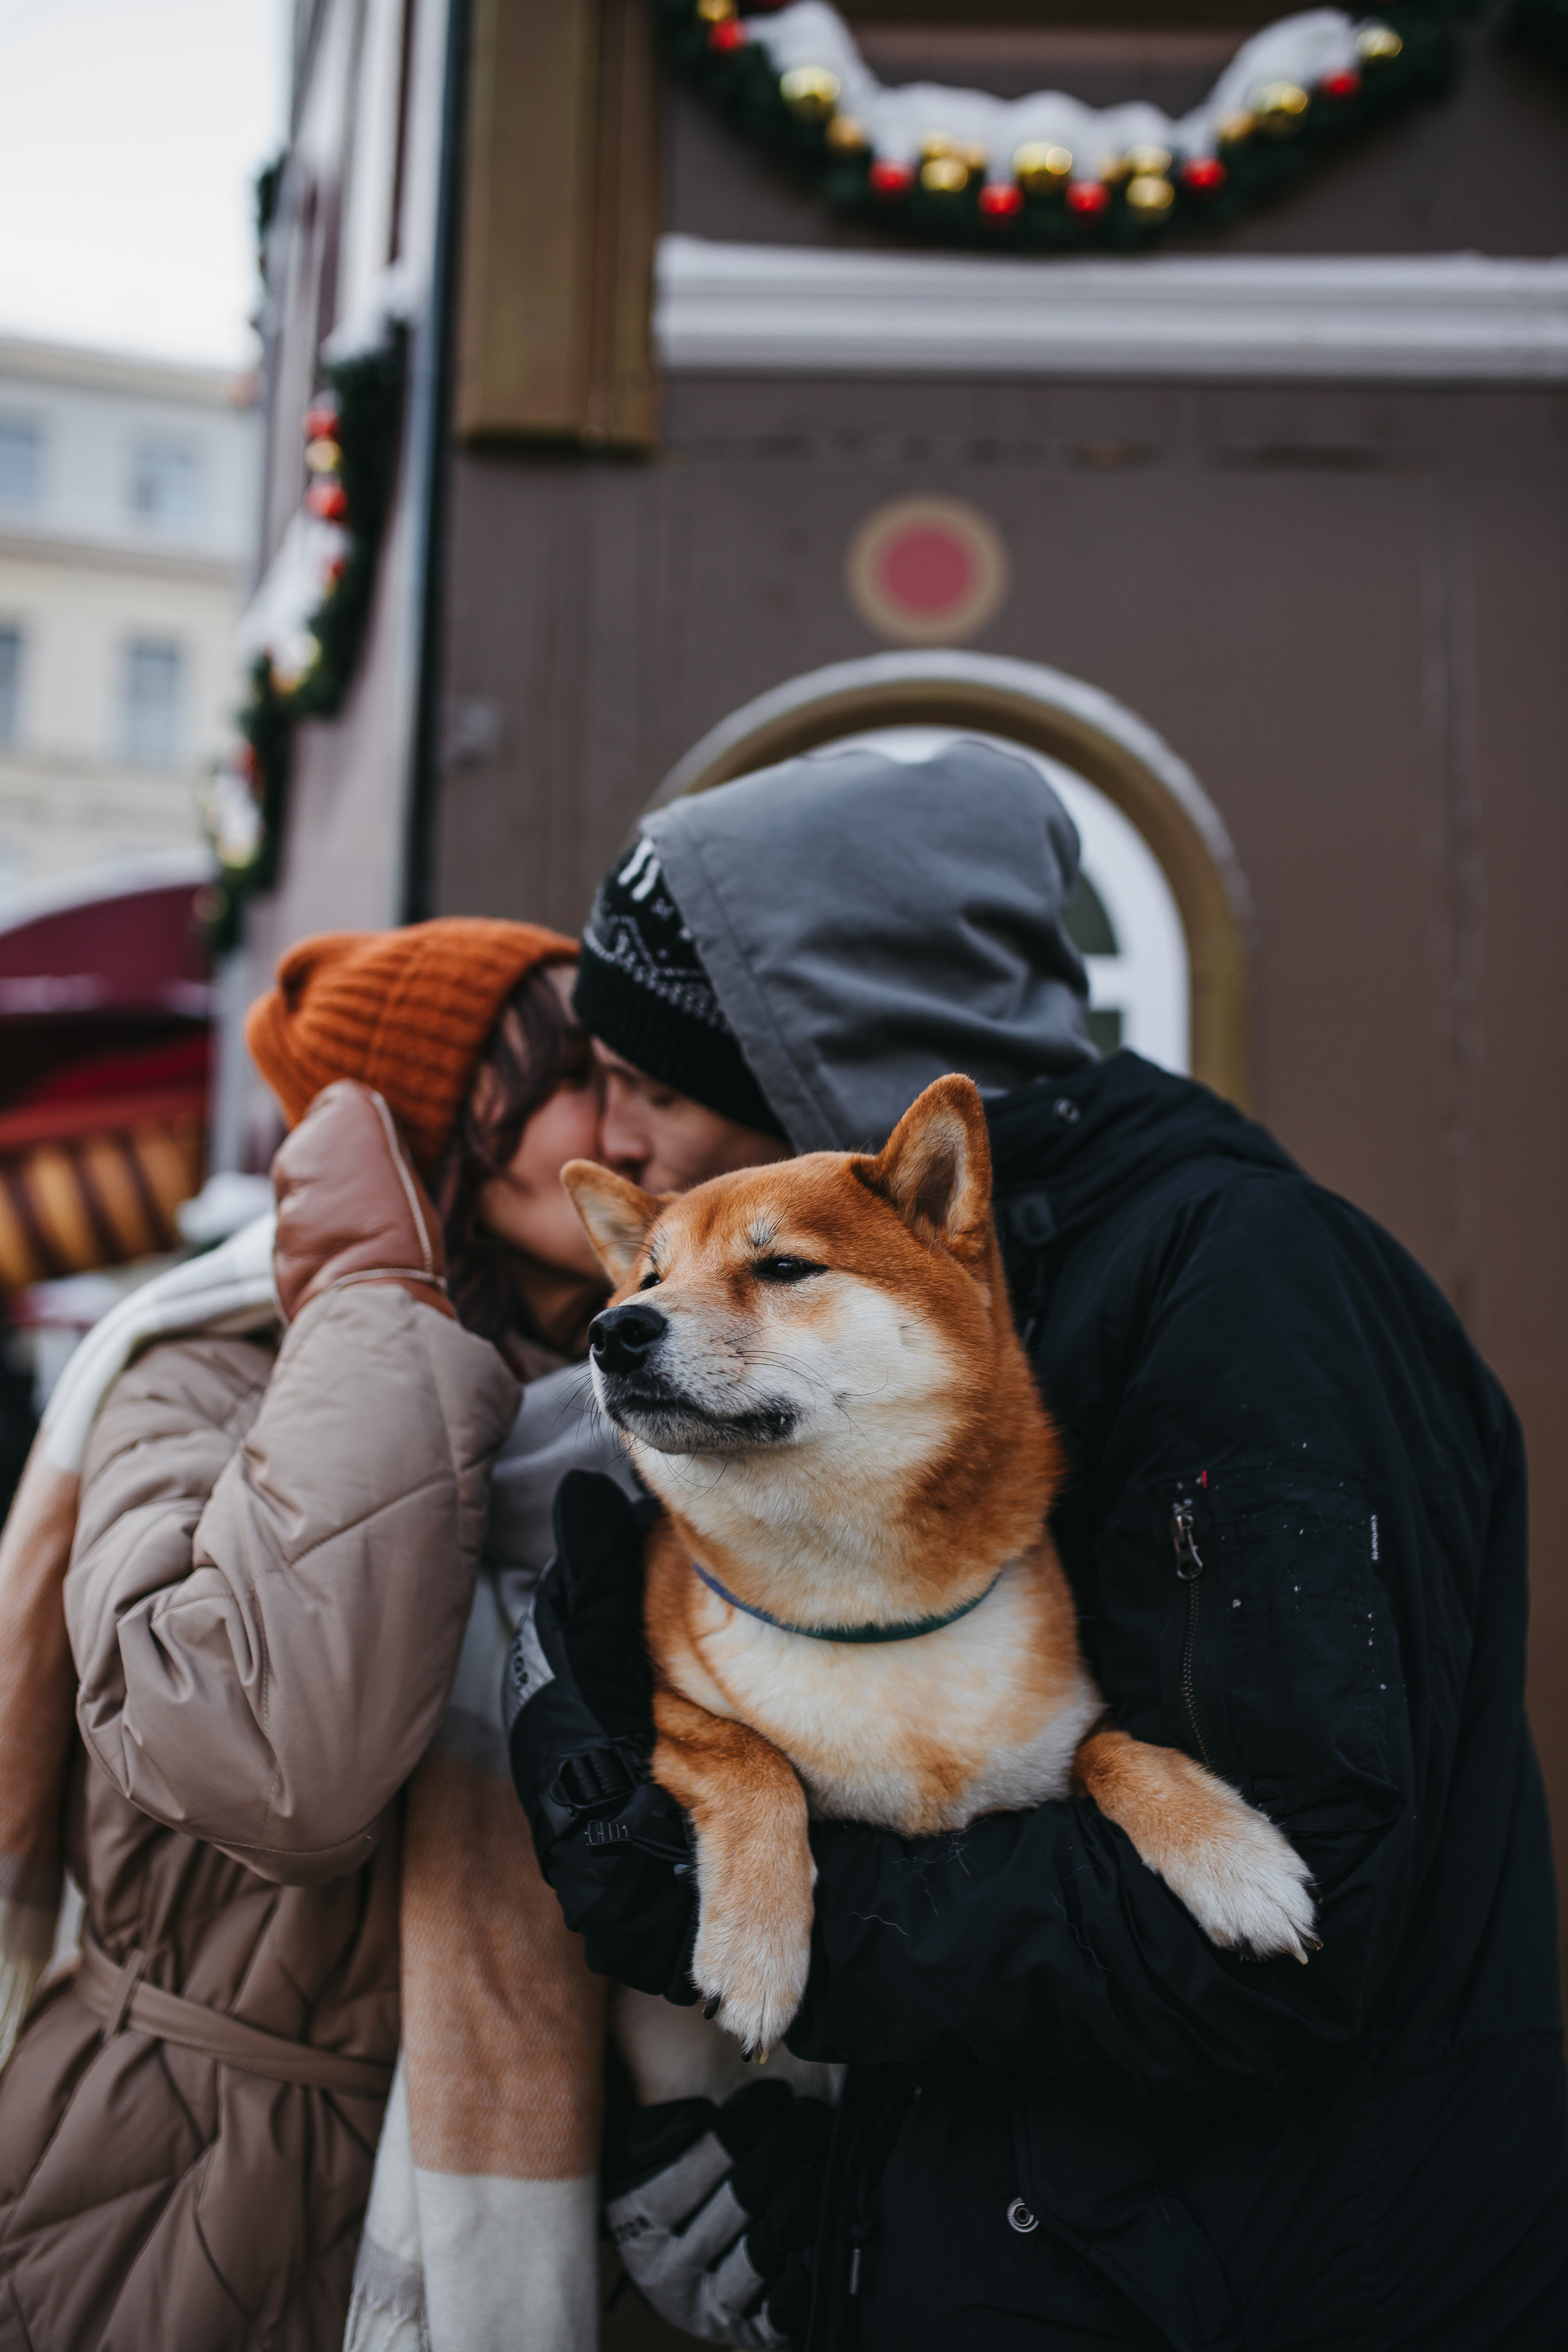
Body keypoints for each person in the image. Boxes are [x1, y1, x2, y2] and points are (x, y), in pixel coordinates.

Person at [511, 739, 1568, 2351]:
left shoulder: (1244, 1299)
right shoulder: (966, 1332)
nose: (628, 1147)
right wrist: (850, 2218)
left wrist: (720, 1896)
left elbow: (1275, 1930)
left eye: (656, 1083)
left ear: (827, 1059)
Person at [0, 918, 624, 2351]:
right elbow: (271, 1761)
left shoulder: (630, 1418)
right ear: (434, 1131)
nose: (631, 1124)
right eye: (574, 1077)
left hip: (529, 2200)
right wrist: (375, 1302)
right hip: (162, 2192)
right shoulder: (196, 1383)